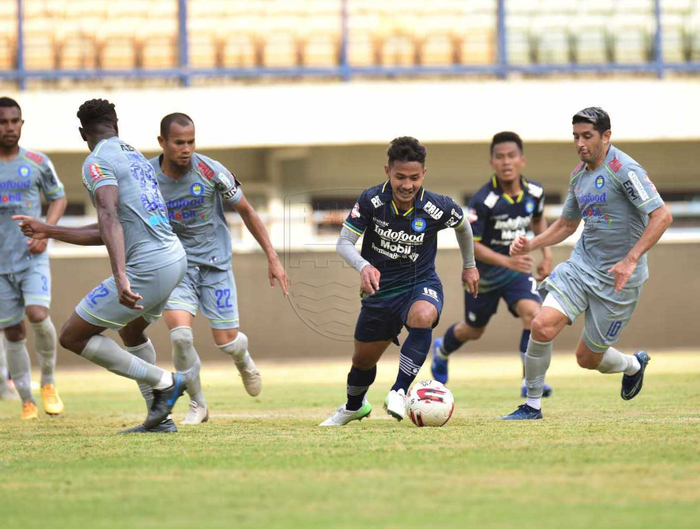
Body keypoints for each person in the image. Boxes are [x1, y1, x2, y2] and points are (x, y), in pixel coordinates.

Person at [15, 99, 191, 433]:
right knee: (131, 329)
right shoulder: (134, 155)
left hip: (148, 266)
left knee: (72, 336)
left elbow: (108, 216)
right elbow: (108, 228)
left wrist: (121, 275)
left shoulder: (96, 162)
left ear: (83, 133)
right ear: (116, 125)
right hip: (173, 258)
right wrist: (49, 229)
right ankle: (160, 418)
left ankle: (165, 382)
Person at [503, 107, 673, 420]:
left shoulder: (624, 169)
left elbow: (662, 216)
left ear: (606, 136)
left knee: (587, 358)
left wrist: (629, 260)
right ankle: (531, 405)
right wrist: (532, 243)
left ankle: (634, 365)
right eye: (576, 137)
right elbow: (568, 225)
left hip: (619, 280)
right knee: (541, 325)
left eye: (587, 136)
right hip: (581, 267)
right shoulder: (578, 175)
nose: (580, 143)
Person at [320, 136, 479, 427]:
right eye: (400, 177)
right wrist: (363, 265)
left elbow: (463, 226)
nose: (407, 185)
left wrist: (469, 266)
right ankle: (355, 406)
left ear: (424, 175)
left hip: (420, 283)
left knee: (424, 314)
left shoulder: (436, 206)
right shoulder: (371, 200)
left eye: (415, 178)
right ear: (387, 172)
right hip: (379, 292)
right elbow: (343, 243)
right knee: (363, 361)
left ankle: (399, 390)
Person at [150, 113, 289, 425]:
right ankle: (198, 405)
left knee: (226, 340)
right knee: (181, 336)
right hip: (175, 266)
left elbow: (248, 211)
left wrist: (273, 257)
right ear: (162, 142)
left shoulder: (211, 171)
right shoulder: (145, 176)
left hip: (215, 265)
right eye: (178, 143)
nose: (186, 149)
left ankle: (243, 359)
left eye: (191, 142)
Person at [431, 132, 554, 397]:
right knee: (473, 330)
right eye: (500, 157)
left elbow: (538, 221)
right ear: (492, 163)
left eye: (511, 156)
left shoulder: (535, 192)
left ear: (522, 160)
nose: (506, 162)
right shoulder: (483, 200)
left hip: (517, 274)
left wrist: (546, 254)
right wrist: (507, 260)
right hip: (483, 276)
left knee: (534, 314)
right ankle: (442, 349)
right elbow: (471, 245)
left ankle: (530, 382)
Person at [0, 96, 66, 418]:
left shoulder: (38, 162)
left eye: (14, 121)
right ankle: (26, 399)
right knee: (12, 331)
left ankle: (49, 381)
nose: (9, 127)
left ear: (22, 124)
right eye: (3, 122)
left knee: (38, 314)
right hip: (0, 265)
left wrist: (47, 230)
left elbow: (59, 197)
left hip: (32, 256)